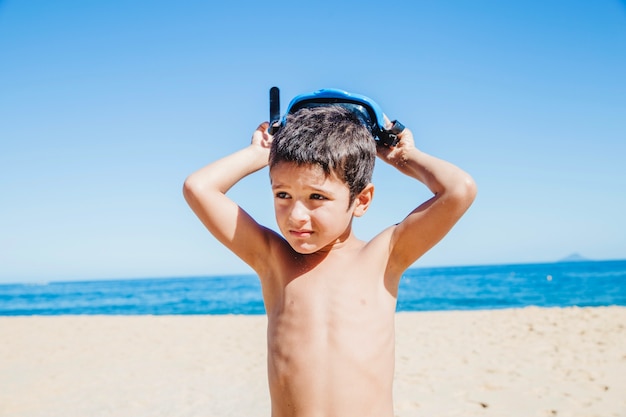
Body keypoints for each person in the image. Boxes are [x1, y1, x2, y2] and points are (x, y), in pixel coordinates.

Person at [183, 99, 477, 417]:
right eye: (283, 195)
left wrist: (401, 156)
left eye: (316, 197)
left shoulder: (385, 255)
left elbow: (458, 189)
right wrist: (261, 154)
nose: (296, 215)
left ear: (361, 200)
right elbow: (198, 187)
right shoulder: (272, 259)